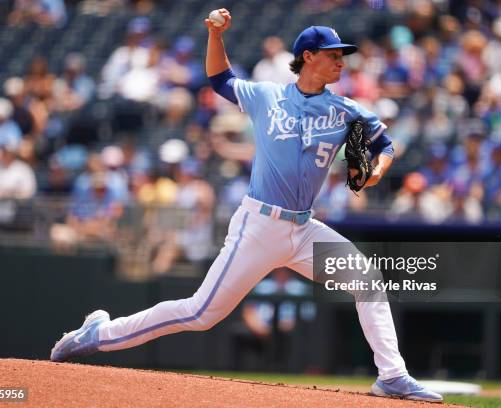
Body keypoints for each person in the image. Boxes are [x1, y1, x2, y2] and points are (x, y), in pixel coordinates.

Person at [50, 10, 442, 403]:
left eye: (342, 55)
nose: (341, 60)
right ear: (308, 56)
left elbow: (385, 146)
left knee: (368, 282)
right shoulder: (266, 96)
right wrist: (214, 35)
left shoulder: (346, 110)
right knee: (200, 314)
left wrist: (376, 171)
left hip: (305, 230)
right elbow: (220, 79)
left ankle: (392, 376)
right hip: (259, 225)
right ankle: (99, 334)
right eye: (333, 54)